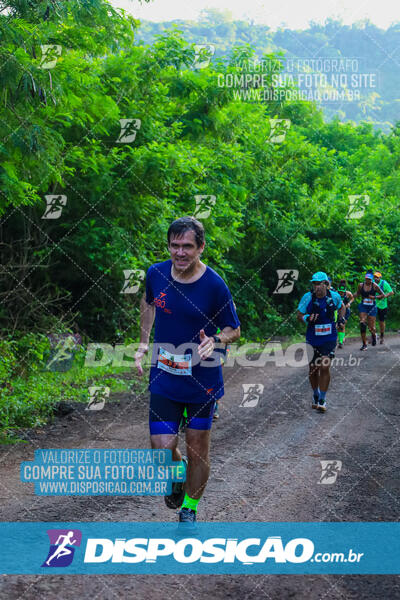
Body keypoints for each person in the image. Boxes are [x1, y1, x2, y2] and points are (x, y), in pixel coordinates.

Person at [135, 216, 241, 525]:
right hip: (165, 374)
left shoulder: (214, 285)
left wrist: (217, 340)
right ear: (168, 245)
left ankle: (190, 507)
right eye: (174, 246)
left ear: (201, 248)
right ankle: (176, 479)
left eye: (187, 247)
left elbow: (234, 328)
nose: (180, 253)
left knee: (197, 448)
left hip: (202, 380)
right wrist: (144, 343)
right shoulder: (155, 273)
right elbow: (149, 303)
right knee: (161, 448)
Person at [297, 272, 345, 412]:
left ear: (326, 284)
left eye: (319, 284)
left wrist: (340, 320)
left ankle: (322, 400)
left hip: (329, 337)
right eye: (315, 284)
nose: (317, 287)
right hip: (313, 338)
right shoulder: (307, 298)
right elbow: (299, 315)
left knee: (324, 366)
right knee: (313, 369)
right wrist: (307, 318)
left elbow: (342, 307)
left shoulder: (333, 296)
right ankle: (316, 395)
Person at [353, 270, 384, 351]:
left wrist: (374, 297)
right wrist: (351, 296)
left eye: (369, 279)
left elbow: (383, 295)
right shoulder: (360, 285)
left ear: (372, 279)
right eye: (367, 279)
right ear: (365, 278)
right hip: (363, 306)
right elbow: (358, 293)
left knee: (371, 327)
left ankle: (373, 335)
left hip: (372, 307)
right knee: (362, 323)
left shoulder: (375, 286)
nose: (368, 281)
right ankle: (364, 344)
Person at [374, 271, 394, 344]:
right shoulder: (372, 283)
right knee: (371, 320)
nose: (376, 278)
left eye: (377, 277)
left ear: (380, 277)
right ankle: (374, 335)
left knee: (381, 322)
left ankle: (382, 336)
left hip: (382, 305)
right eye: (375, 277)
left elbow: (391, 292)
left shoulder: (384, 283)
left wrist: (385, 295)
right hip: (374, 305)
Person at [336, 279, 354, 348]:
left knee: (342, 325)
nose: (341, 293)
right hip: (338, 311)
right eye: (340, 291)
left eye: (342, 292)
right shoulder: (335, 293)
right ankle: (341, 337)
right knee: (338, 325)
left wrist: (349, 303)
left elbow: (352, 298)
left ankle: (340, 342)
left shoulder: (348, 293)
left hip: (346, 311)